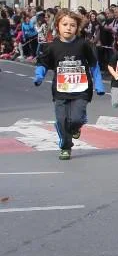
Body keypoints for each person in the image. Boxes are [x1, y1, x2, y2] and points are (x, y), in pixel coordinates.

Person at [33, 10, 105, 160]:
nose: (68, 28)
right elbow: (43, 63)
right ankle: (65, 147)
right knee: (61, 121)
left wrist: (99, 85)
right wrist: (39, 76)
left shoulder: (83, 45)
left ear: (77, 28)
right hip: (61, 90)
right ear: (57, 26)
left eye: (72, 25)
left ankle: (78, 124)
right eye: (65, 24)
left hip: (81, 89)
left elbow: (94, 64)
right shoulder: (52, 46)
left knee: (76, 119)